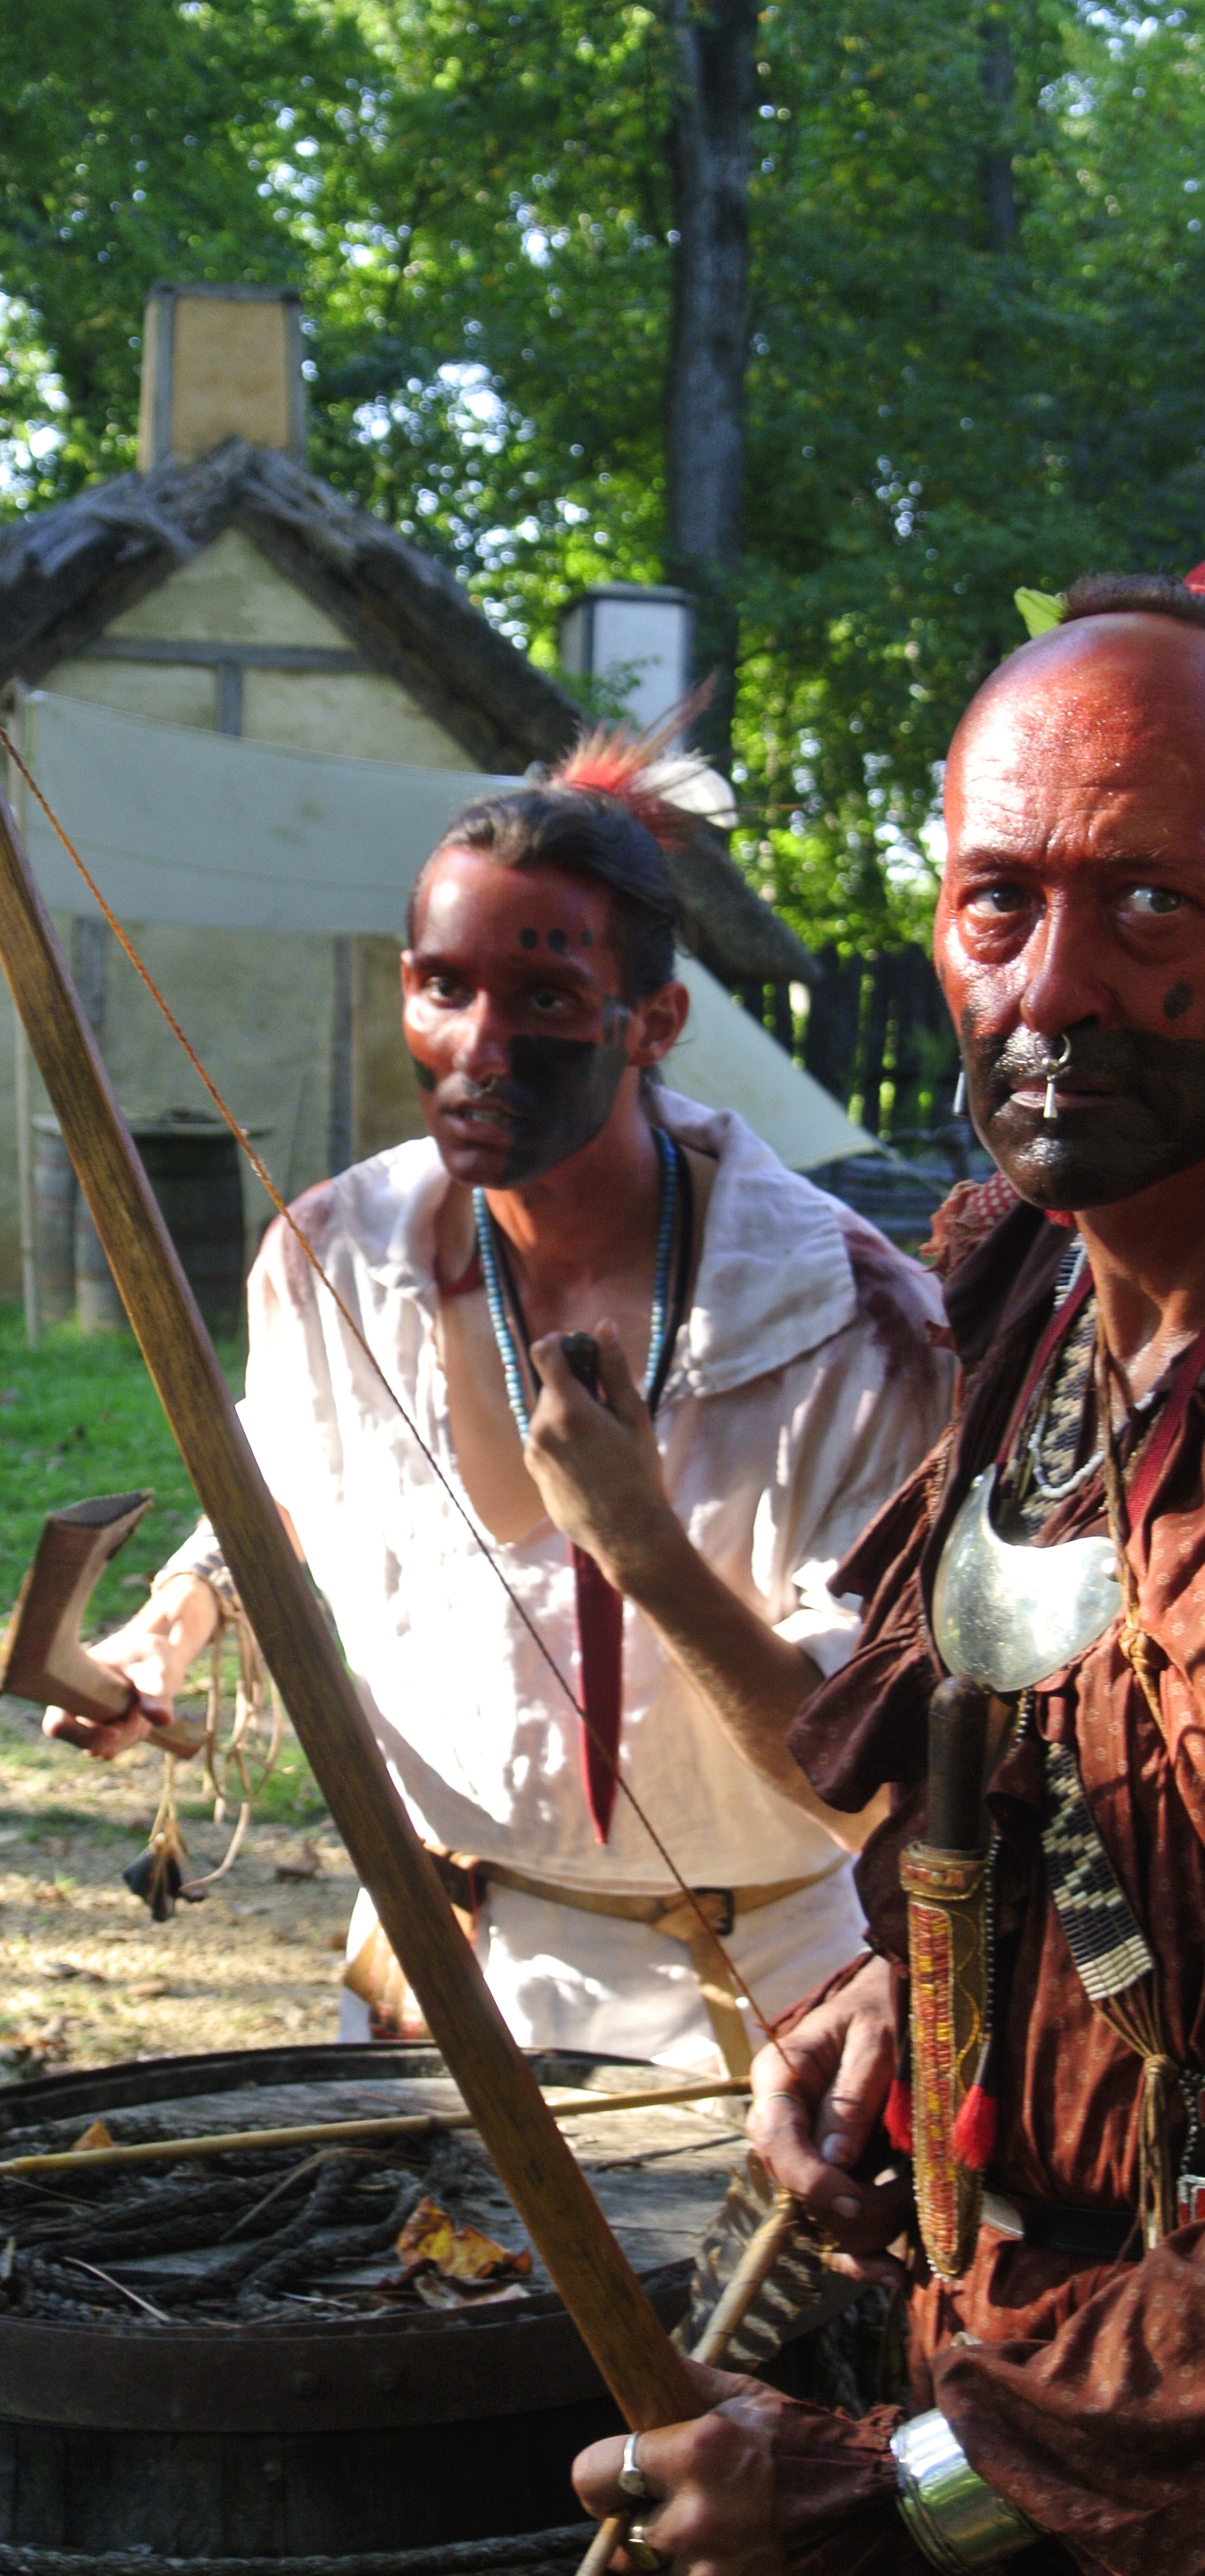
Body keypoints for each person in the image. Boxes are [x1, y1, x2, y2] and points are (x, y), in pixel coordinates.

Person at [565, 561, 1205, 2576]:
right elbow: (1068, 1750)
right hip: (1028, 2377)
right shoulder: (1023, 1273)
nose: (1053, 985)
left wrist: (928, 2499)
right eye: (1001, 904)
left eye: (1149, 904)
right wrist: (914, 1992)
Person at [51, 736, 952, 2076]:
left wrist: (640, 1544)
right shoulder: (333, 1251)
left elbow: (865, 1780)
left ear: (652, 1022)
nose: (478, 1046)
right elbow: (296, 1467)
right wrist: (167, 1632)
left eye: (542, 996)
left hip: (757, 2012)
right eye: (443, 986)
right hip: (435, 1971)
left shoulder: (858, 1326)